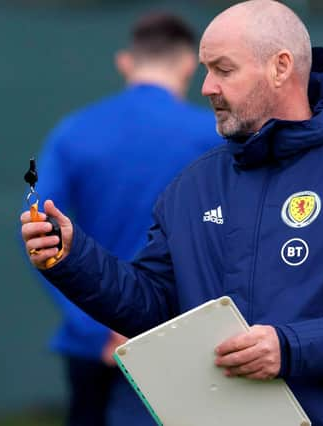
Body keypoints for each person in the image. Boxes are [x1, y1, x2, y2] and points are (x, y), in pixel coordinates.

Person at [21, 1, 323, 424]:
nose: (206, 86)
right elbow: (158, 309)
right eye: (205, 69)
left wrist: (290, 347)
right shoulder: (192, 186)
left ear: (281, 68)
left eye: (223, 70)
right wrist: (74, 259)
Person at [29, 12, 222, 426]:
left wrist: (95, 327)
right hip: (181, 345)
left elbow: (36, 229)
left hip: (94, 344)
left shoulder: (75, 131)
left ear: (125, 62)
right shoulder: (214, 136)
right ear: (191, 65)